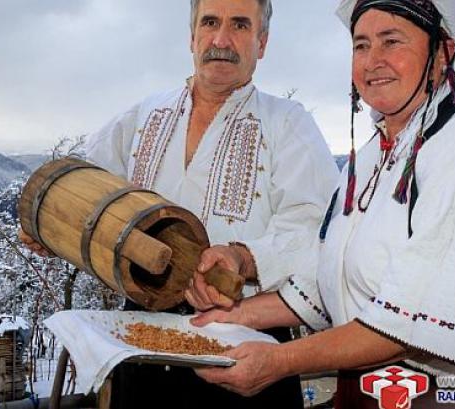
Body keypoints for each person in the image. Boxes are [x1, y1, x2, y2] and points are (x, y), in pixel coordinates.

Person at [189, 1, 455, 408]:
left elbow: (417, 321)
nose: (373, 61)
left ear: (442, 54)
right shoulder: (370, 159)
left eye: (392, 42)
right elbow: (328, 281)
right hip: (392, 382)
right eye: (361, 45)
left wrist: (280, 361)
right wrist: (232, 317)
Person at [19, 0, 339, 408]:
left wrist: (244, 257)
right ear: (192, 37)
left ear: (263, 42)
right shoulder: (145, 115)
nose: (222, 40)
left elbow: (319, 229)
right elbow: (83, 185)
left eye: (240, 25)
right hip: (142, 342)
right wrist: (47, 224)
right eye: (210, 22)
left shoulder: (288, 123)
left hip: (245, 352)